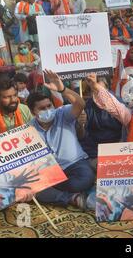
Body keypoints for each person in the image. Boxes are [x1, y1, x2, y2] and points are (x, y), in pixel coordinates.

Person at [27, 70, 93, 209]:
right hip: (50, 171)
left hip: (75, 165)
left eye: (49, 106)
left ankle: (61, 192)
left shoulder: (62, 113)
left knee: (84, 180)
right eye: (42, 108)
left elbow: (80, 104)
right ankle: (71, 198)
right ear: (33, 112)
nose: (47, 110)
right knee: (34, 188)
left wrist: (63, 89)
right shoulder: (29, 129)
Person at [79, 76, 124, 160]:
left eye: (101, 90)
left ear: (107, 89)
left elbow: (126, 130)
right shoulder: (86, 107)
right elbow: (83, 136)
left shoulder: (118, 103)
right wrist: (81, 124)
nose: (99, 94)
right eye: (95, 91)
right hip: (96, 150)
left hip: (118, 147)